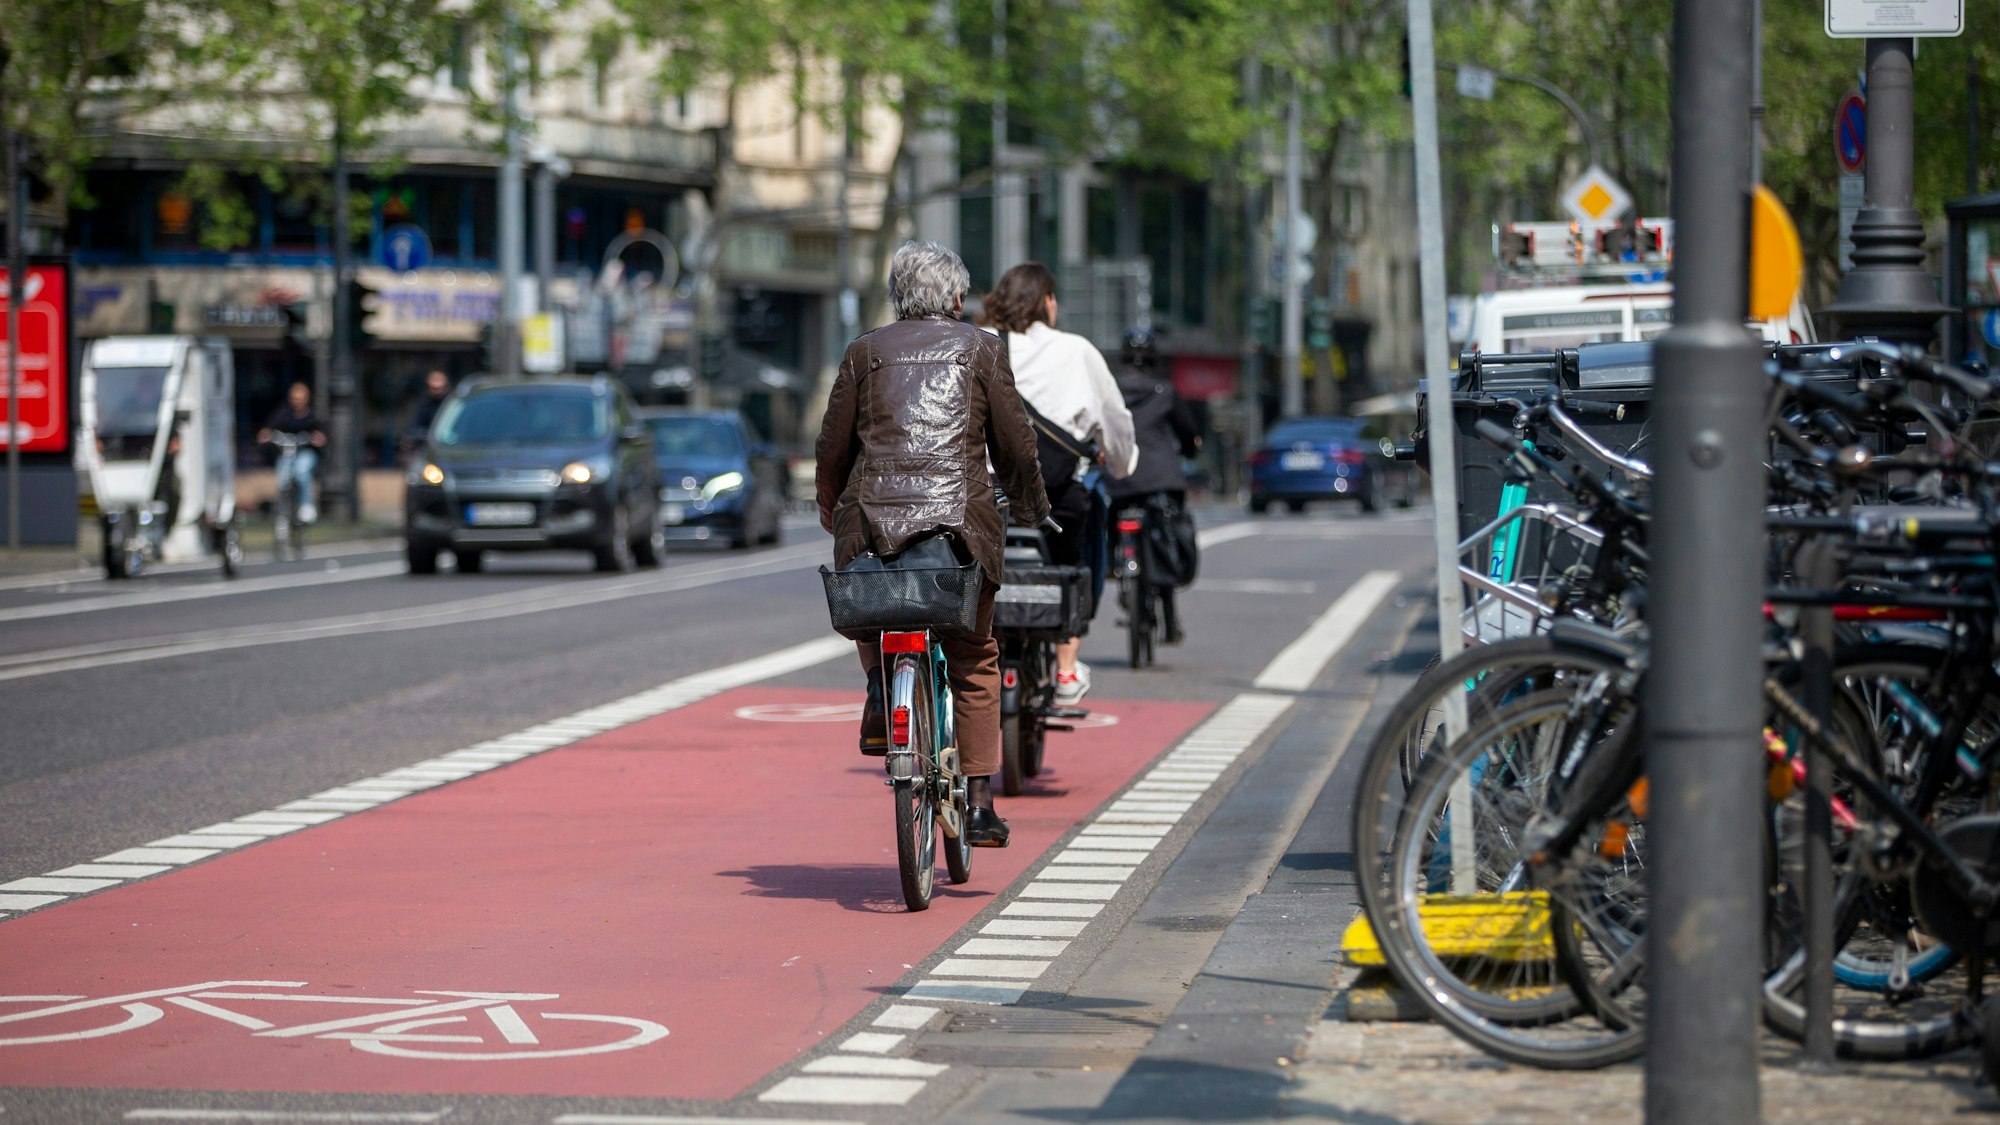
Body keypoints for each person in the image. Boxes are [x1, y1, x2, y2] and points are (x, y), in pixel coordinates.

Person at [816, 240, 1049, 849]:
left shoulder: (863, 351)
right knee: (974, 655)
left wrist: (830, 508)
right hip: (958, 528)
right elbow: (1017, 446)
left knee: (875, 612)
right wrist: (1029, 505)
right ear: (955, 297)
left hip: (872, 524)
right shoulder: (982, 349)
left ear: (898, 296)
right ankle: (977, 804)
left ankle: (878, 688)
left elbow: (832, 448)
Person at [980, 262, 1137, 705]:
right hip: (1055, 496)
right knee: (1075, 563)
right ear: (1047, 302)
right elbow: (1115, 420)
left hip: (989, 494)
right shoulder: (1078, 351)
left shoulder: (981, 345)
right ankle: (1066, 670)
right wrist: (1122, 464)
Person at [1108, 327, 1201, 645]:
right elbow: (1188, 434)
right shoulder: (1165, 391)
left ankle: (1112, 563)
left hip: (1117, 476)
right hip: (1162, 478)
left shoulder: (1109, 390)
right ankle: (1170, 618)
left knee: (1104, 519)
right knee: (1165, 539)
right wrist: (1190, 450)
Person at [258, 381, 328, 524]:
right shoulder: (283, 413)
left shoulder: (312, 416)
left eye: (300, 398)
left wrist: (317, 438)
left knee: (301, 471)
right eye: (294, 398)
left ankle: (306, 505)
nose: (296, 402)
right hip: (287, 452)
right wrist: (265, 434)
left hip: (305, 452)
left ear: (307, 399)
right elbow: (269, 428)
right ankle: (282, 507)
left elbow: (321, 435)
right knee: (283, 476)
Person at [403, 369, 451, 458]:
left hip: (451, 446)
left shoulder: (452, 404)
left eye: (439, 388)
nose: (437, 390)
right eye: (434, 388)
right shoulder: (423, 404)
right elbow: (415, 425)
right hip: (429, 447)